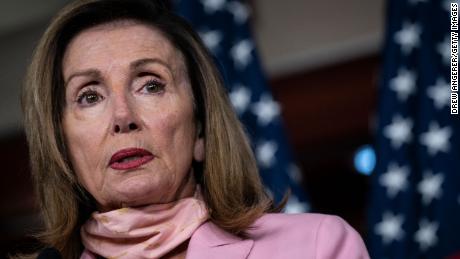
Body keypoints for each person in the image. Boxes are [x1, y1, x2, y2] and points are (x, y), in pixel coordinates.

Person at [20, 0, 370, 258]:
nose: (122, 116)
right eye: (90, 96)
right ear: (61, 144)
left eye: (151, 85)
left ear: (200, 131)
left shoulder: (317, 246)